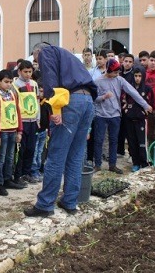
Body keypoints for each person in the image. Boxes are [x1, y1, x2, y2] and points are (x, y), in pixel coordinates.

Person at [24, 43, 96, 217]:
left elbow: (50, 81)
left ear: (38, 51)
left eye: (36, 60)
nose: (38, 64)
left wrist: (55, 111)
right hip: (87, 102)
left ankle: (45, 204)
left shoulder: (47, 52)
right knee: (76, 155)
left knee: (56, 155)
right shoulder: (69, 57)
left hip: (70, 102)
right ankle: (70, 201)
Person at [93, 59, 152, 174]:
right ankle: (98, 165)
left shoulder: (120, 80)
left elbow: (133, 92)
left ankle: (112, 165)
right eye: (115, 72)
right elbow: (94, 98)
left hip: (115, 115)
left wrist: (145, 104)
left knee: (114, 140)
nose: (117, 74)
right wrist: (103, 97)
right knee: (98, 140)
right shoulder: (98, 81)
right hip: (101, 115)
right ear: (109, 70)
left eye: (118, 72)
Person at [0, 70, 23, 196]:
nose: (9, 84)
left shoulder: (13, 94)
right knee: (1, 158)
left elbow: (17, 112)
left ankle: (7, 179)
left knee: (10, 157)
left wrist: (19, 130)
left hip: (12, 130)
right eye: (6, 82)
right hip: (2, 132)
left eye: (10, 82)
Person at [13, 60, 40, 185]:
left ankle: (27, 172)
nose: (28, 74)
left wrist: (38, 118)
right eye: (25, 72)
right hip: (22, 121)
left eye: (30, 72)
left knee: (31, 148)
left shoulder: (34, 84)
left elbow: (37, 102)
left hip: (33, 121)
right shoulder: (15, 85)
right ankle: (18, 175)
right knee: (21, 150)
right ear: (19, 71)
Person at [123, 68, 154, 171]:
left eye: (140, 76)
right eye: (136, 76)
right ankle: (135, 163)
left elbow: (151, 103)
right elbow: (123, 100)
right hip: (129, 120)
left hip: (141, 120)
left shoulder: (147, 89)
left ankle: (144, 163)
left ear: (143, 76)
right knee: (132, 143)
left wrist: (146, 111)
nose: (137, 78)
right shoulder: (129, 88)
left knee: (142, 143)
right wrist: (126, 109)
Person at [31, 82, 51, 182]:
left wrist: (48, 129)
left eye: (43, 91)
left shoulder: (46, 102)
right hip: (36, 131)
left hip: (44, 131)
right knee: (34, 152)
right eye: (40, 91)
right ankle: (33, 171)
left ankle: (39, 169)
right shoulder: (35, 102)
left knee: (40, 152)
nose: (41, 93)